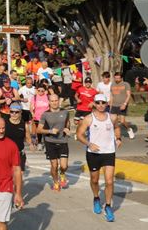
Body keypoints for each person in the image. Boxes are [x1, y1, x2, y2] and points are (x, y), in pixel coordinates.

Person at [76, 94, 123, 222]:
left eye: (103, 102)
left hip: (109, 152)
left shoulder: (112, 117)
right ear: (94, 104)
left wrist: (118, 138)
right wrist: (89, 144)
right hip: (93, 153)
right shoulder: (88, 119)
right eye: (98, 102)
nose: (101, 105)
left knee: (109, 181)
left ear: (107, 104)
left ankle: (108, 206)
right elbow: (79, 135)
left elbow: (117, 128)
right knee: (95, 180)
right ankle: (96, 198)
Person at [37, 93, 71, 191]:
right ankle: (56, 182)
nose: (54, 103)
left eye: (56, 100)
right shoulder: (45, 114)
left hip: (63, 141)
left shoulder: (65, 112)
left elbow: (67, 123)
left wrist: (67, 129)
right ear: (49, 102)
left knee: (64, 166)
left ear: (59, 101)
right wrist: (50, 131)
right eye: (52, 101)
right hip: (50, 142)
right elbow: (39, 130)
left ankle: (62, 173)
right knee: (54, 165)